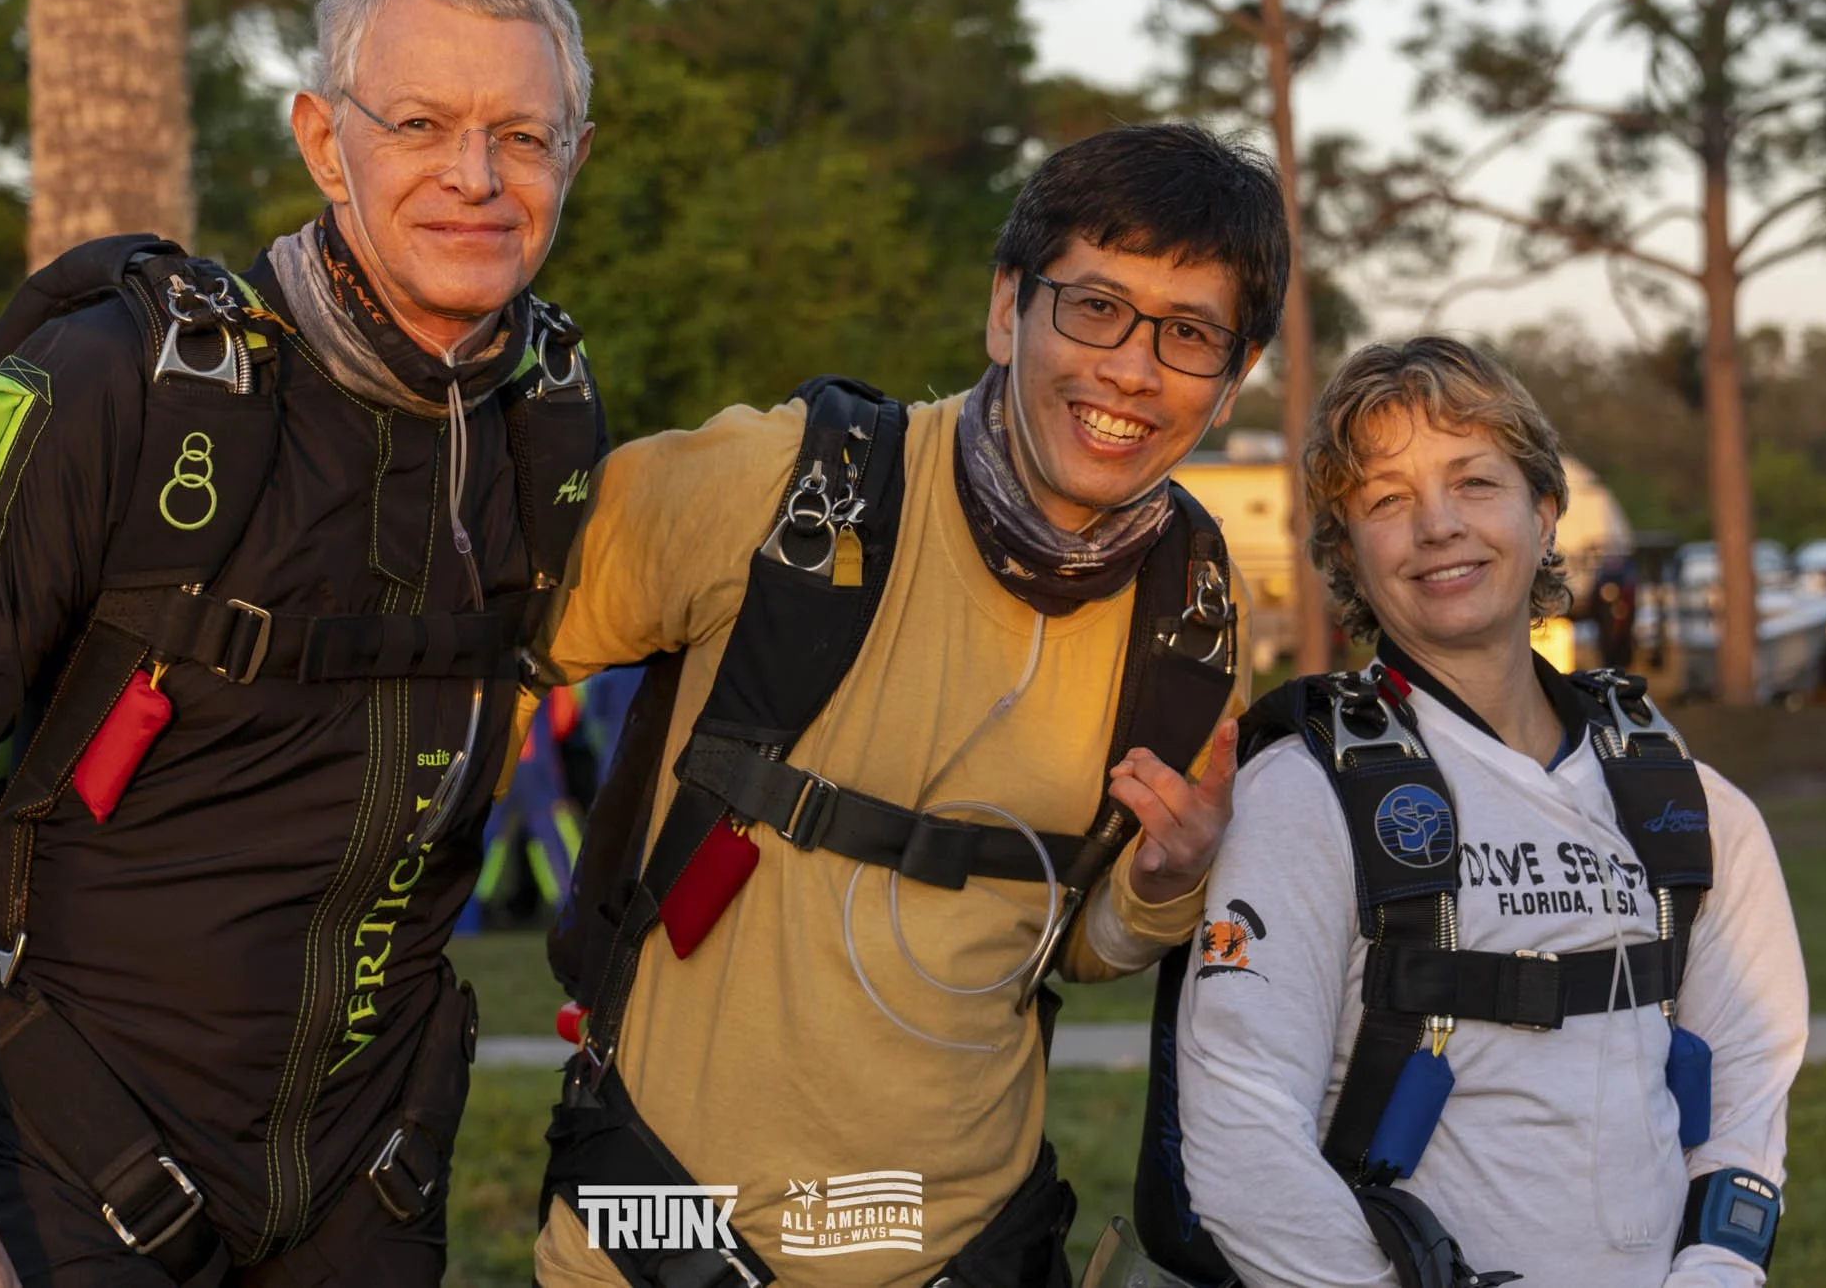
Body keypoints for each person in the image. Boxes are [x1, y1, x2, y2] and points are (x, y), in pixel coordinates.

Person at [0, 0, 608, 1288]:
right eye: (419, 123)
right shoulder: (129, 382)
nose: (476, 177)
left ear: (574, 156)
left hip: (373, 1178)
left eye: (521, 135)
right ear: (322, 138)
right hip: (77, 1167)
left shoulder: (548, 418)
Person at [530, 124, 1291, 1288]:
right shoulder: (778, 489)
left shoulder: (1188, 618)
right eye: (1094, 306)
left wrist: (1156, 888)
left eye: (1188, 333)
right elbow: (479, 662)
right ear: (1005, 308)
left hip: (966, 1250)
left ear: (1232, 375)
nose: (1132, 369)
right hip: (659, 1238)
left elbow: (1059, 937)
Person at [1159, 338, 1805, 1288]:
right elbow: (1240, 1131)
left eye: (1474, 482)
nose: (1437, 526)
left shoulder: (1692, 807)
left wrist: (1712, 1268)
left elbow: (1748, 1087)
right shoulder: (1305, 797)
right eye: (1386, 500)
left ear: (1545, 511)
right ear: (1345, 554)